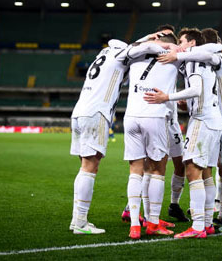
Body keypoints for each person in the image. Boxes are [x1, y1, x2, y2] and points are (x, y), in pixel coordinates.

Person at [159, 28, 222, 235]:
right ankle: (220, 217)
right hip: (221, 118)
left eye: (182, 41)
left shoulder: (215, 58)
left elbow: (209, 53)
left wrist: (180, 54)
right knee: (218, 171)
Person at [69, 38, 163, 235]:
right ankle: (80, 223)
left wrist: (149, 37)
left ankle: (77, 219)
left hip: (79, 113)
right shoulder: (120, 54)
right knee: (90, 166)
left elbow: (133, 43)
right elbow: (142, 47)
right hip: (97, 112)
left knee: (84, 166)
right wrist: (167, 46)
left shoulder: (102, 55)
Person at [145, 28, 222, 239]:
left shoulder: (193, 60)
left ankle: (197, 227)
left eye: (181, 41)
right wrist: (184, 102)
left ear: (191, 44)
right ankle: (207, 224)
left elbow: (196, 89)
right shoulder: (201, 59)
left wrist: (167, 97)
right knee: (205, 172)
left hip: (202, 120)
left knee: (192, 171)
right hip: (214, 120)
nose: (178, 44)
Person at [123, 33, 180, 239]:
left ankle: (135, 224)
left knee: (135, 171)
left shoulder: (137, 53)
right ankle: (153, 222)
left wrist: (149, 40)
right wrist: (175, 49)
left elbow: (132, 45)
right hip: (154, 115)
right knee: (157, 169)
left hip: (131, 117)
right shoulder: (175, 55)